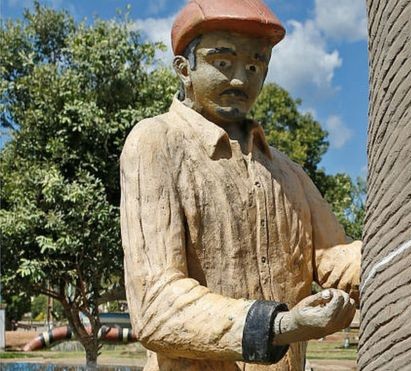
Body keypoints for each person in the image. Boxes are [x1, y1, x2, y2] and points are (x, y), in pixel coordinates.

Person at [119, 1, 361, 370]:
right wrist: (280, 325)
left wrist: (408, 252)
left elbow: (337, 260)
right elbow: (156, 303)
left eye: (254, 65)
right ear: (184, 69)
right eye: (222, 62)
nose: (240, 79)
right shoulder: (155, 144)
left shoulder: (289, 174)